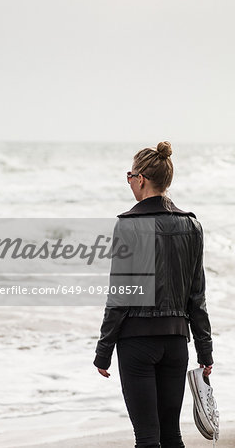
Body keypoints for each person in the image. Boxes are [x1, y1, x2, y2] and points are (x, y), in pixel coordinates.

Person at [93, 141, 213, 448]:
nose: (129, 181)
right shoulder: (192, 225)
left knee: (147, 438)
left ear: (141, 179)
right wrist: (205, 350)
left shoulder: (128, 225)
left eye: (130, 175)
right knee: (171, 436)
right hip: (176, 342)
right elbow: (196, 296)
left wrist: (104, 348)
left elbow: (120, 295)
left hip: (137, 344)